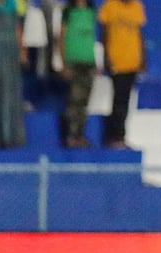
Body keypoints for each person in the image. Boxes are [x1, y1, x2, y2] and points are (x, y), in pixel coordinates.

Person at [97, 0, 143, 149]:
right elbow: (104, 33)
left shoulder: (136, 6)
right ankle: (115, 136)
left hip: (132, 61)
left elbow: (139, 34)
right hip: (116, 61)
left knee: (125, 99)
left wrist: (143, 58)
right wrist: (106, 57)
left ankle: (120, 135)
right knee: (119, 100)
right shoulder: (110, 6)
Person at [0, 0, 27, 148]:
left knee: (9, 92)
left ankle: (8, 136)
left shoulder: (12, 4)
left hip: (9, 53)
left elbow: (17, 28)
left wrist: (22, 51)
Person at [58, 0, 97, 148]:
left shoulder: (91, 11)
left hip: (88, 61)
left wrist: (94, 61)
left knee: (84, 101)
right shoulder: (68, 12)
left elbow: (91, 37)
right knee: (74, 99)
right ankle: (71, 135)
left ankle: (80, 135)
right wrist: (64, 62)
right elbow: (61, 36)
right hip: (73, 61)